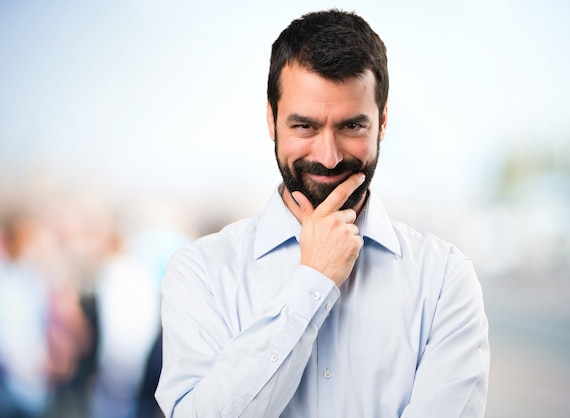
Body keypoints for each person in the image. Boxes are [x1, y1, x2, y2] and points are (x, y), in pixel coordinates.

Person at [155, 9, 489, 418]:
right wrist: (313, 280)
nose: (329, 158)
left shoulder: (444, 281)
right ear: (271, 121)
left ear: (381, 123)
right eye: (305, 127)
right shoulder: (201, 272)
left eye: (352, 127)